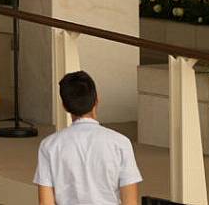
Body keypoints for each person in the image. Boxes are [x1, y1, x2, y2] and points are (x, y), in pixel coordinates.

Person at [34, 71, 142, 205]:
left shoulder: (49, 146)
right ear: (97, 100)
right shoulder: (120, 143)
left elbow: (46, 202)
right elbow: (130, 202)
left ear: (65, 106)